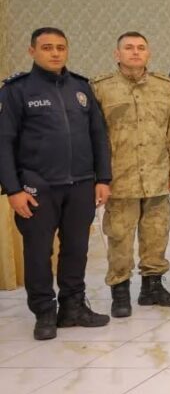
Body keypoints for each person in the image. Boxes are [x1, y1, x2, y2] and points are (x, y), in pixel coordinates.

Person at [0, 28, 112, 340]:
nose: (55, 53)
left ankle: (73, 307)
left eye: (61, 47)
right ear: (32, 51)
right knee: (38, 253)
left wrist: (103, 178)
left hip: (81, 185)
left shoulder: (81, 87)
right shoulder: (16, 90)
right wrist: (13, 190)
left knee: (76, 249)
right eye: (47, 47)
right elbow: (3, 143)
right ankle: (44, 313)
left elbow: (98, 136)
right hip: (36, 188)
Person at [92, 31, 170, 316]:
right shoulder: (101, 88)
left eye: (141, 48)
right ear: (117, 54)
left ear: (148, 53)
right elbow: (94, 137)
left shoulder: (164, 87)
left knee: (157, 233)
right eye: (129, 48)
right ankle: (120, 291)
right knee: (119, 237)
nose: (135, 52)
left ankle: (152, 287)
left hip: (157, 175)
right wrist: (99, 177)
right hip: (120, 179)